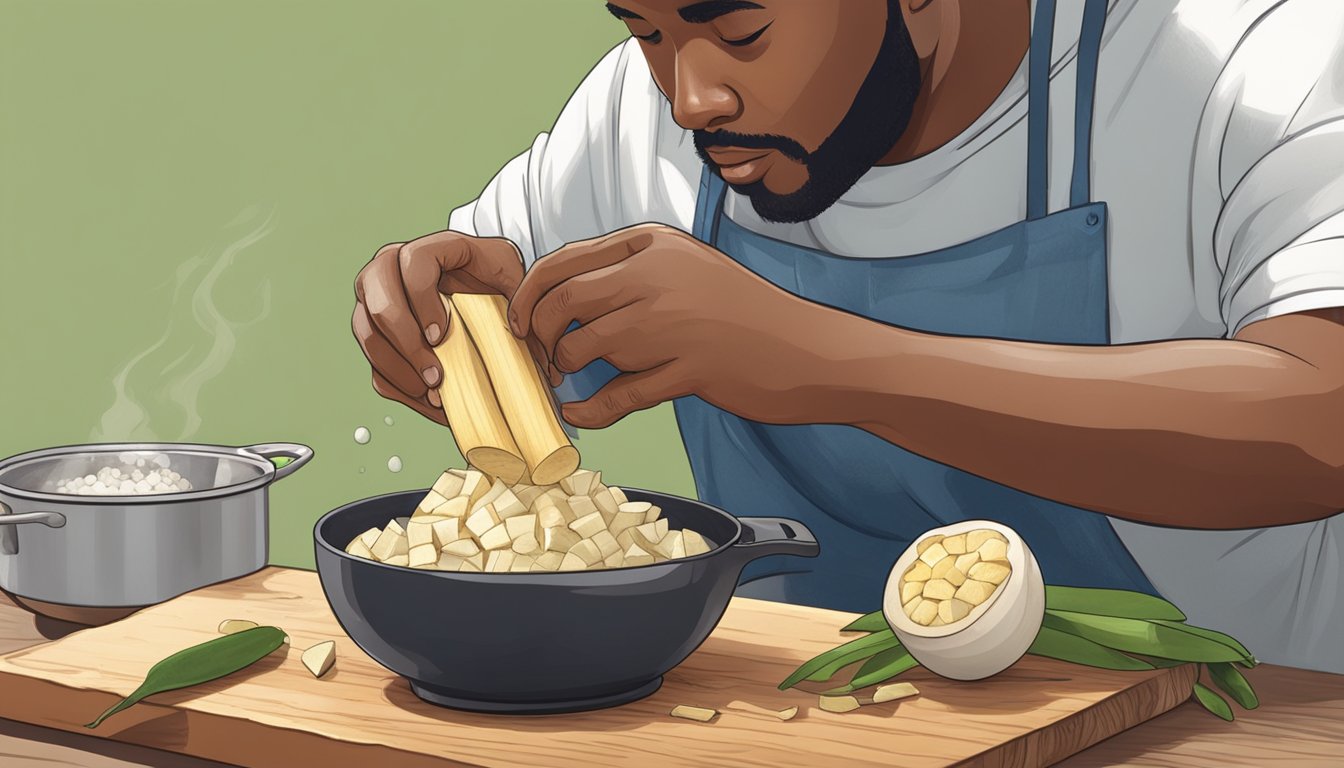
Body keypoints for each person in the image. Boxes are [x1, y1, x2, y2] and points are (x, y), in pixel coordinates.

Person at [353, 0, 1344, 672]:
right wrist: (467, 329)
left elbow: (1325, 416)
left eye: (740, 29)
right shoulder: (636, 110)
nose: (690, 98)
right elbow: (508, 296)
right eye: (648, 30)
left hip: (1209, 728)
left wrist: (823, 359)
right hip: (810, 727)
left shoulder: (1252, 63)